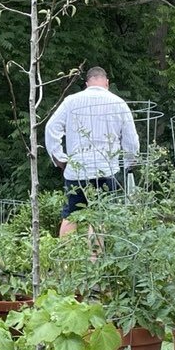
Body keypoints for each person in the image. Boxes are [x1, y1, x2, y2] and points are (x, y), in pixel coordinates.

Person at [44, 66, 139, 236]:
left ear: (87, 83)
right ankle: (94, 261)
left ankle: (66, 261)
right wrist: (129, 163)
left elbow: (51, 128)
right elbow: (131, 140)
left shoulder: (71, 101)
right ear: (107, 83)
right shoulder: (119, 103)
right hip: (107, 169)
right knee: (100, 216)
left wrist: (59, 159)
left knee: (70, 215)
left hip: (77, 170)